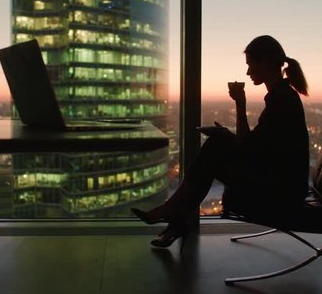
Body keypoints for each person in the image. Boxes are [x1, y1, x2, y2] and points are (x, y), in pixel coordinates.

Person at [132, 35, 310, 248]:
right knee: (216, 147)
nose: (248, 72)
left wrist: (237, 111)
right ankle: (174, 216)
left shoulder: (282, 100)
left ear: (265, 62)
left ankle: (172, 214)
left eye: (251, 64)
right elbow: (253, 146)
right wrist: (228, 129)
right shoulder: (282, 96)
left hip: (281, 190)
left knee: (214, 149)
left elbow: (248, 147)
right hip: (282, 182)